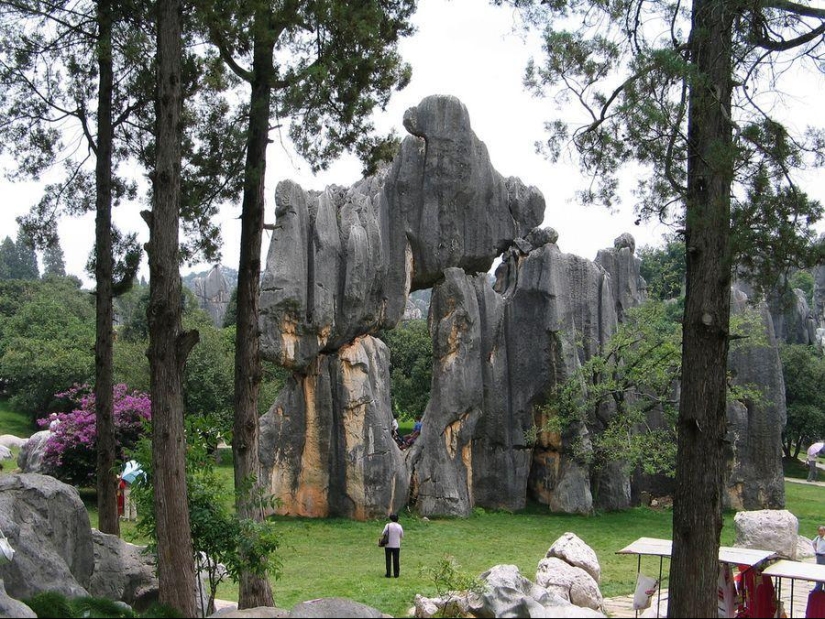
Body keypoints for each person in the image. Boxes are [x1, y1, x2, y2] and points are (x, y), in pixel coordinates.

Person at [381, 513, 404, 578]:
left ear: (391, 519)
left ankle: (388, 574)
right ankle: (396, 574)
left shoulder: (388, 525)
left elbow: (383, 533)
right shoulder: (399, 526)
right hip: (396, 545)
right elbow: (402, 536)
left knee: (388, 559)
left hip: (388, 545)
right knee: (396, 560)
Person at [813, 526, 825, 592]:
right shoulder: (817, 537)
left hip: (824, 556)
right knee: (818, 571)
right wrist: (816, 550)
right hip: (818, 556)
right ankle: (818, 587)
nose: (820, 532)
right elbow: (813, 543)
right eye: (819, 531)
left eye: (821, 531)